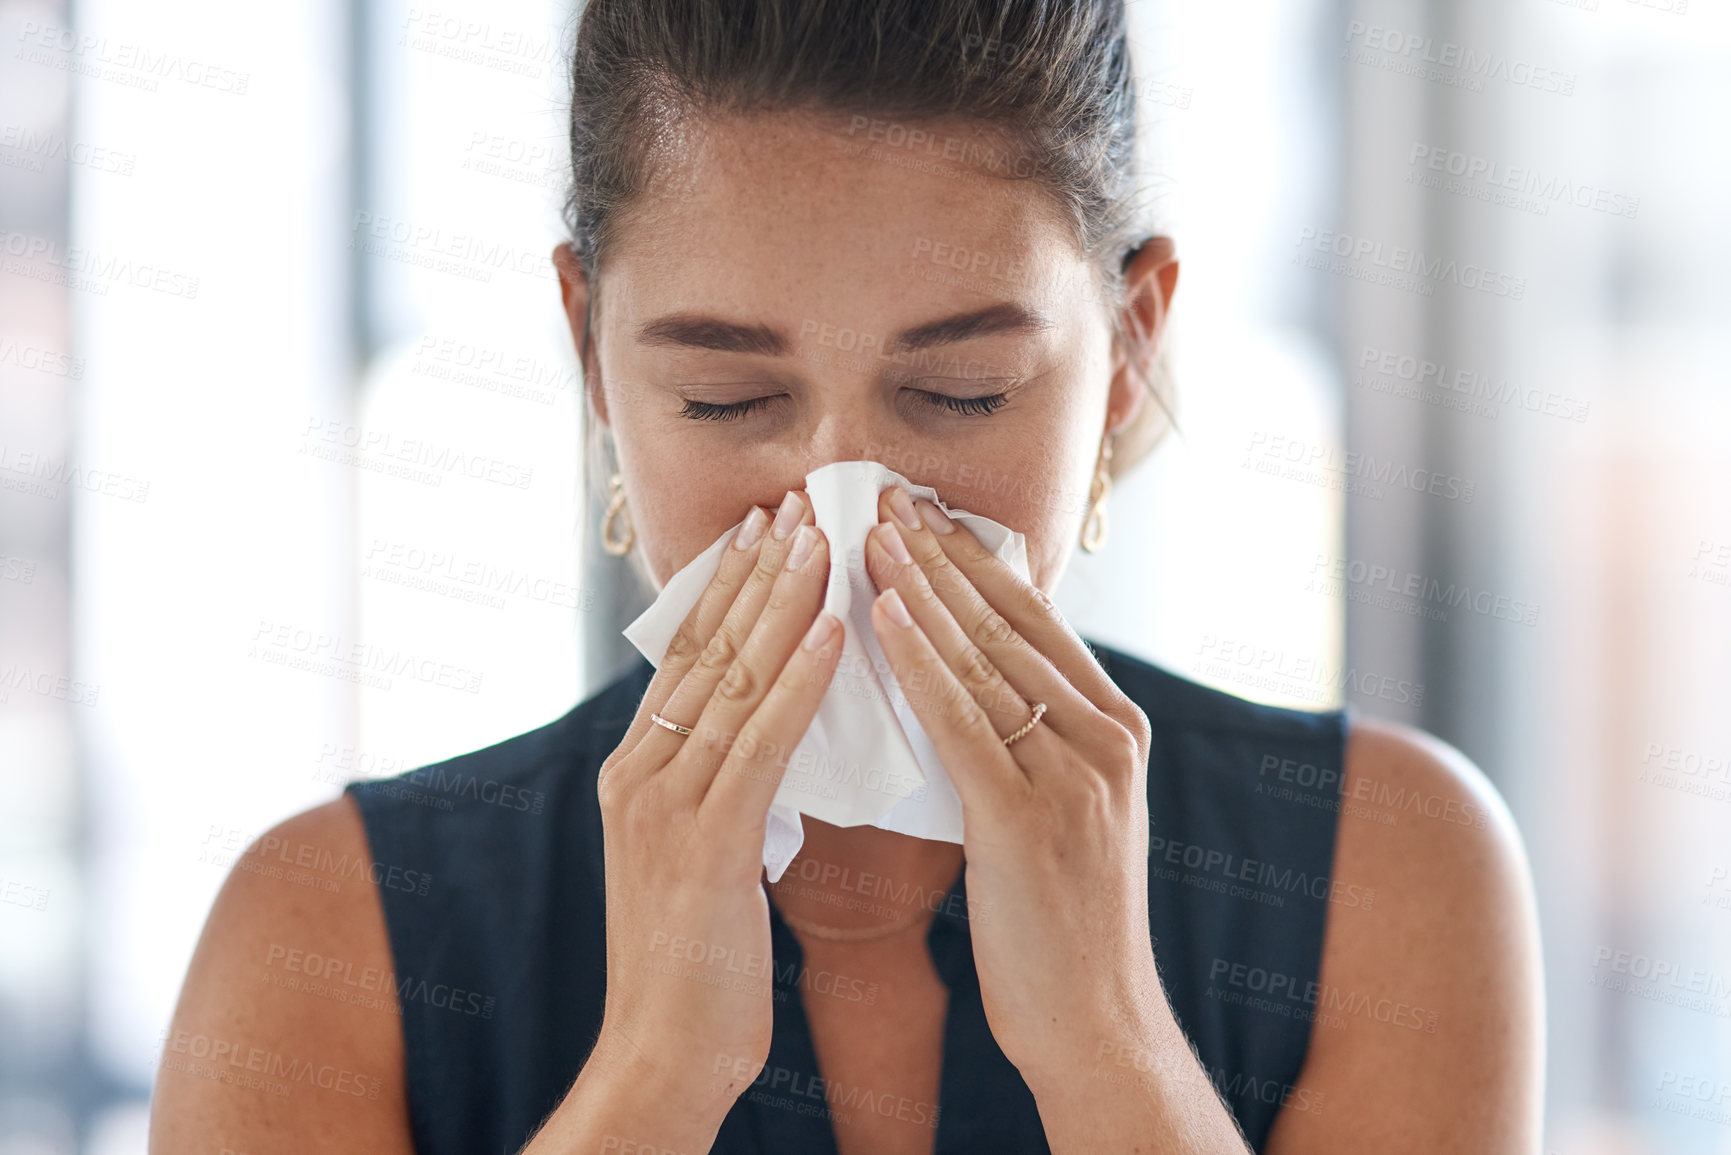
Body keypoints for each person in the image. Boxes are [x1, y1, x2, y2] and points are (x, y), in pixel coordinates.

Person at [150, 1, 1544, 1151]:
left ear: (1128, 348)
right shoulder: (323, 937)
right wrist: (653, 1072)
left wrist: (1109, 1042)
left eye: (961, 392)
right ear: (589, 353)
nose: (845, 508)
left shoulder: (1389, 871)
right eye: (723, 398)